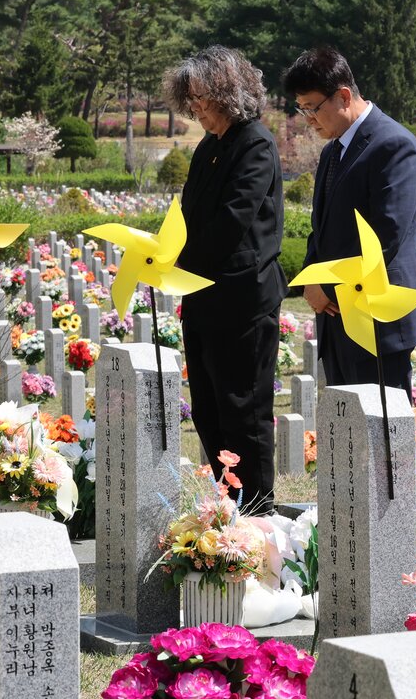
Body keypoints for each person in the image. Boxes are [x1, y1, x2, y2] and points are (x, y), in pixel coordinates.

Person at [164, 45, 285, 510]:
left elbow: (231, 222)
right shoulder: (208, 147)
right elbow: (188, 216)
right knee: (209, 410)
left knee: (243, 411)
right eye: (189, 100)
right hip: (202, 300)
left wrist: (180, 261)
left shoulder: (254, 142)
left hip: (242, 302)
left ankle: (256, 511)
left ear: (229, 94)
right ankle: (226, 506)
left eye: (202, 99)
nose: (196, 110)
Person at [282, 46, 416, 393]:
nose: (308, 119)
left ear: (344, 95)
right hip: (335, 314)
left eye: (313, 108)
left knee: (380, 437)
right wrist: (310, 279)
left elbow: (386, 235)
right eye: (301, 109)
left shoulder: (394, 145)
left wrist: (328, 287)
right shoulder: (332, 149)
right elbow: (320, 228)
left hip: (377, 317)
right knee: (347, 436)